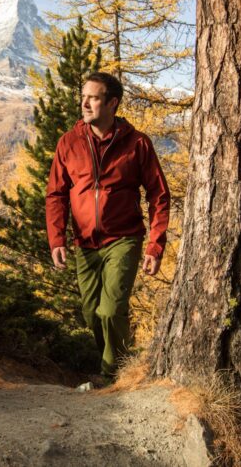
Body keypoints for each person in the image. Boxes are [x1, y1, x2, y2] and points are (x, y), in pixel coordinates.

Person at [46, 71, 170, 380]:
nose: (84, 103)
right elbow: (56, 194)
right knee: (92, 314)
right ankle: (125, 362)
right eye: (83, 96)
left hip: (124, 238)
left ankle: (110, 374)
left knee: (111, 310)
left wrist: (155, 245)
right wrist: (57, 239)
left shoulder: (137, 143)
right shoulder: (69, 142)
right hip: (85, 244)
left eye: (93, 97)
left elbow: (159, 194)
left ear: (112, 103)